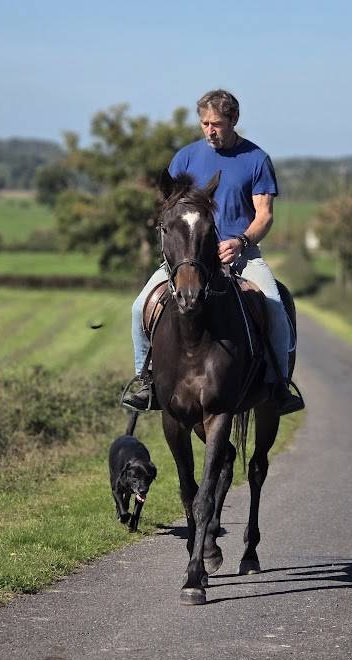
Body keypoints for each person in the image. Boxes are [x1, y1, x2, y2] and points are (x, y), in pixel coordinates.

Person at [122, 89, 304, 417]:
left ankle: (278, 385)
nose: (210, 130)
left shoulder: (257, 160)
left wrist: (242, 242)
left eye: (216, 123)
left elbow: (264, 215)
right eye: (204, 123)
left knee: (276, 310)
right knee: (138, 309)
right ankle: (146, 382)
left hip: (241, 255)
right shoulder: (185, 158)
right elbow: (170, 206)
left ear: (234, 121)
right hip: (188, 257)